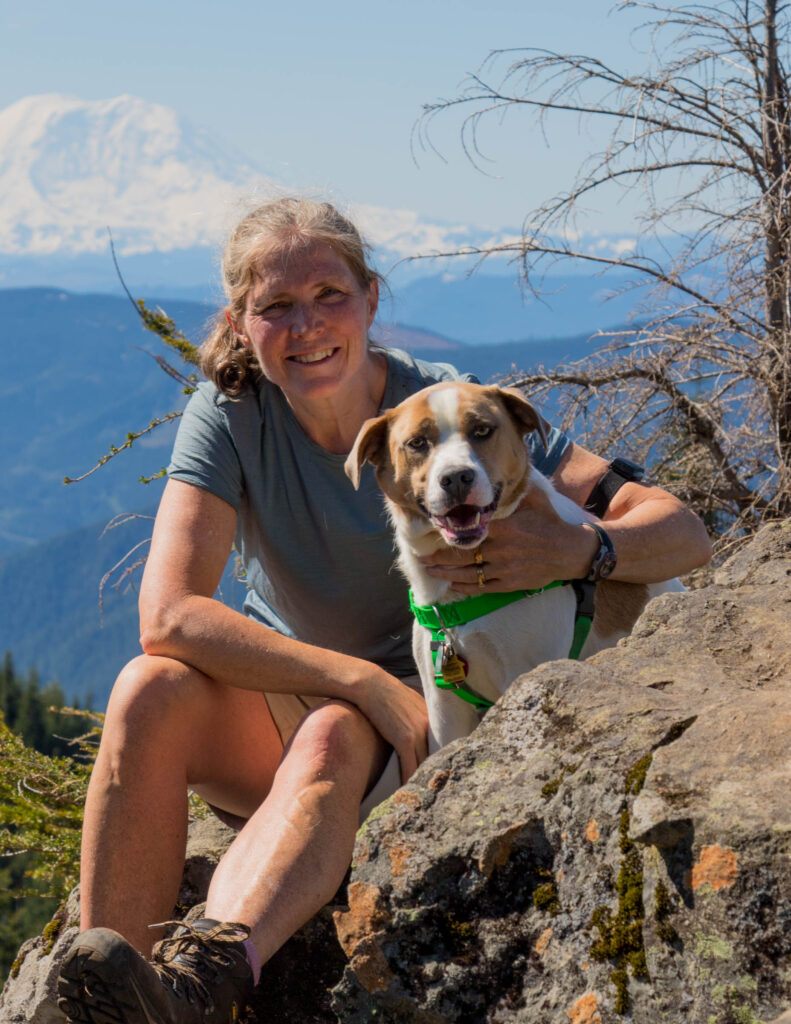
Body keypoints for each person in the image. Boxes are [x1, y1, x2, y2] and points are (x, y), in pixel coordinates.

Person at [56, 197, 712, 1024]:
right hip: (314, 688)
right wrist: (356, 678)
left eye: (329, 295)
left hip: (414, 718)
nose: (307, 326)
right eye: (277, 307)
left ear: (371, 297)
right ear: (240, 322)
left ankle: (198, 984)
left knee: (332, 732)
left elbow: (681, 531)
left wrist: (586, 552)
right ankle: (103, 994)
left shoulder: (451, 419)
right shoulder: (228, 416)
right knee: (147, 688)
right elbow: (169, 618)